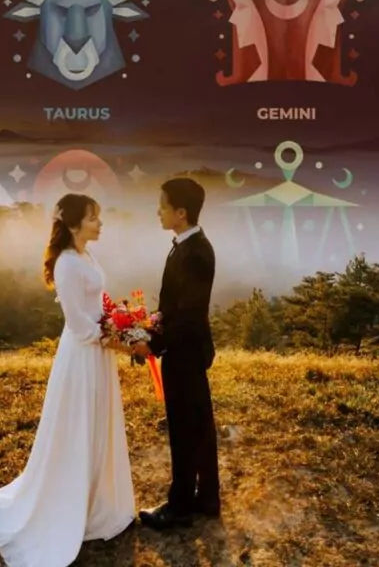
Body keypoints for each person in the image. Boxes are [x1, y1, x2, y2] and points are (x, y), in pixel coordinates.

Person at [0, 194, 135, 566]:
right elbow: (80, 324)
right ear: (75, 223)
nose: (100, 223)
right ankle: (70, 502)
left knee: (97, 423)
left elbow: (96, 305)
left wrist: (122, 321)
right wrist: (123, 342)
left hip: (98, 351)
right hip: (83, 355)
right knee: (78, 425)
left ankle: (97, 499)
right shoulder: (66, 263)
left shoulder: (86, 255)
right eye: (94, 218)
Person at [133, 177, 220, 529]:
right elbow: (174, 306)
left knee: (185, 429)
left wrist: (153, 344)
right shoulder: (185, 245)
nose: (158, 211)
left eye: (163, 205)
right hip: (186, 348)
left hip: (185, 352)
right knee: (198, 425)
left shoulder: (196, 252)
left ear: (181, 212)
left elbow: (188, 313)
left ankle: (180, 505)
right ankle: (207, 498)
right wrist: (154, 321)